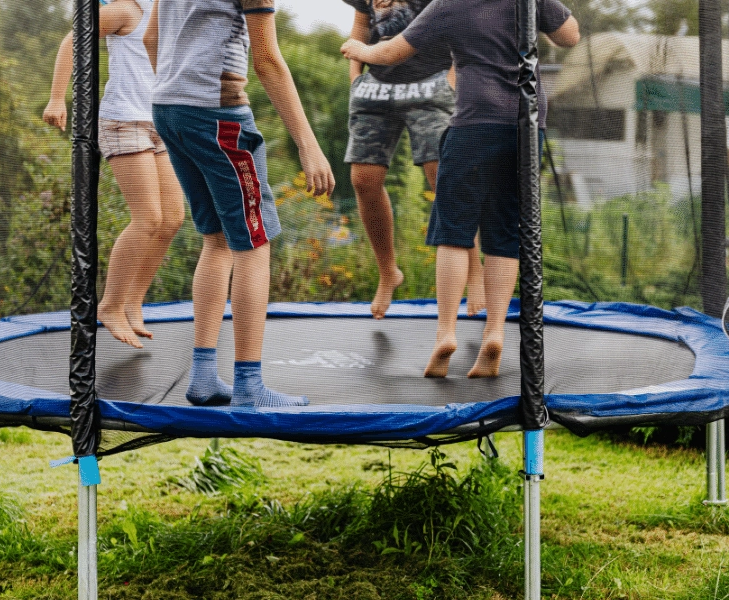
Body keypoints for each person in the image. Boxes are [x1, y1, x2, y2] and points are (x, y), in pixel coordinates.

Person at [341, 0, 578, 378]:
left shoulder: (449, 4)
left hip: (473, 123)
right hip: (527, 125)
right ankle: (495, 332)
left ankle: (445, 333)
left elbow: (391, 51)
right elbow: (570, 36)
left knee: (453, 231)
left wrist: (360, 50)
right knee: (504, 233)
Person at [144, 0, 335, 407]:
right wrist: (309, 144)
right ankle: (249, 384)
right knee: (254, 241)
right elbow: (267, 60)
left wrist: (179, 83)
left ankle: (202, 377)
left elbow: (150, 38)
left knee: (215, 239)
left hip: (168, 107)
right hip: (217, 115)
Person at [43, 0, 185, 350]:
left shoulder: (167, 11)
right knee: (148, 218)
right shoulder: (124, 11)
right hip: (124, 121)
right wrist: (57, 100)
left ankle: (134, 300)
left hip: (159, 121)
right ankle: (109, 305)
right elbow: (72, 42)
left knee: (173, 219)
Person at [341, 0, 486, 320]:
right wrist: (356, 78)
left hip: (430, 83)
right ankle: (388, 272)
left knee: (443, 178)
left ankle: (475, 272)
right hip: (376, 88)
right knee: (363, 181)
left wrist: (451, 81)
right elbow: (362, 25)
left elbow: (459, 25)